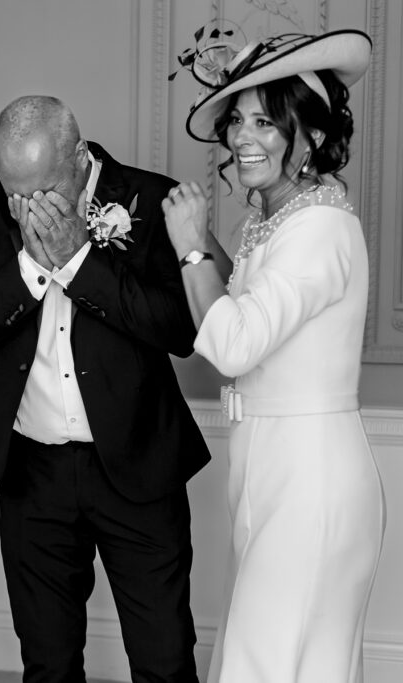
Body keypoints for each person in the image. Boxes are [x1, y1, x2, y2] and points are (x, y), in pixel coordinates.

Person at [0, 95, 210, 682]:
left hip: (136, 467)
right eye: (15, 191)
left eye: (42, 188)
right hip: (32, 475)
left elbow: (183, 331)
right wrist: (31, 269)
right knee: (48, 665)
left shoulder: (151, 199)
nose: (27, 206)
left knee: (163, 661)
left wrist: (80, 260)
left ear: (80, 156)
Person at [162, 29, 385, 683]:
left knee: (264, 665)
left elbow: (233, 345)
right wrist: (202, 239)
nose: (240, 137)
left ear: (312, 136)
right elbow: (247, 308)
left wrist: (188, 248)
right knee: (279, 661)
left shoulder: (320, 230)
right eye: (237, 119)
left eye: (264, 120)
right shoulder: (278, 222)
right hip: (269, 467)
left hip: (310, 478)